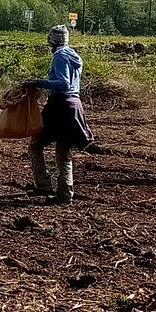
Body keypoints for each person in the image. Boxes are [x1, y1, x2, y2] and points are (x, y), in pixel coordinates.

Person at [20, 25, 91, 205]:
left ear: (51, 41)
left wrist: (36, 82)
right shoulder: (75, 56)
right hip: (74, 106)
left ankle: (43, 184)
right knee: (63, 150)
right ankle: (65, 194)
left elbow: (63, 84)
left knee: (36, 144)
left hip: (60, 106)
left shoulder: (59, 56)